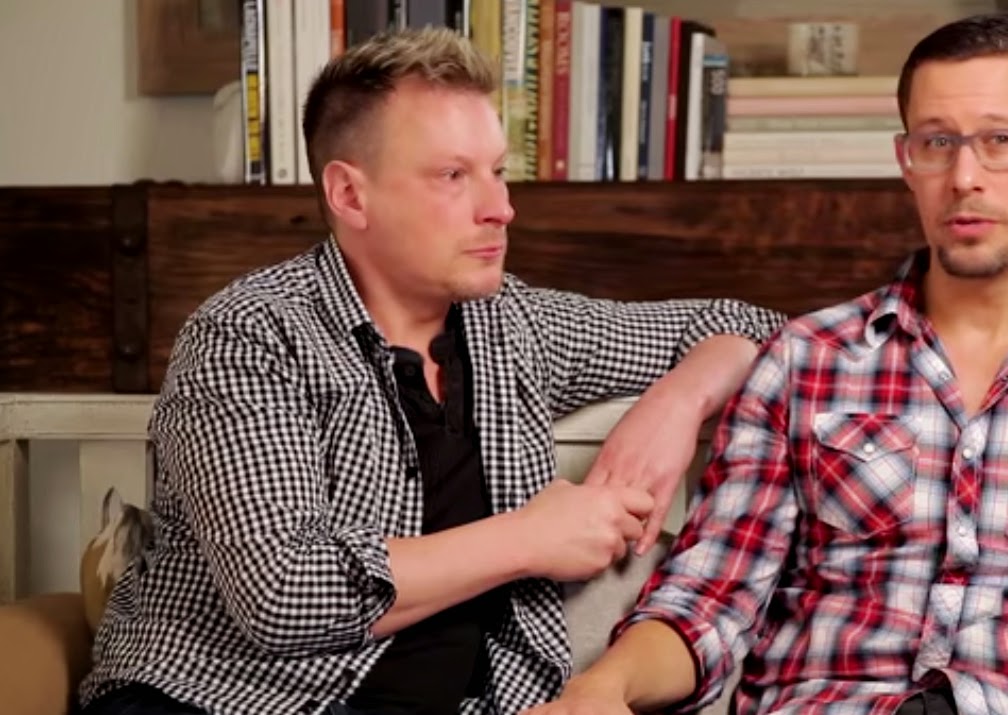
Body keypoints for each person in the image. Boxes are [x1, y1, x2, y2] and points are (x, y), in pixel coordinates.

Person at [529, 12, 1008, 715]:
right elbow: (707, 601)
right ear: (906, 159)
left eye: (1000, 140)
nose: (964, 176)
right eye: (937, 142)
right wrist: (602, 687)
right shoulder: (804, 361)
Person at [77, 26, 784, 715]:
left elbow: (756, 327)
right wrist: (530, 538)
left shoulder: (514, 325)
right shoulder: (249, 334)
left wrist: (676, 404)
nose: (500, 208)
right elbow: (283, 593)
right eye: (453, 175)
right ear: (350, 195)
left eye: (497, 171)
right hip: (219, 698)